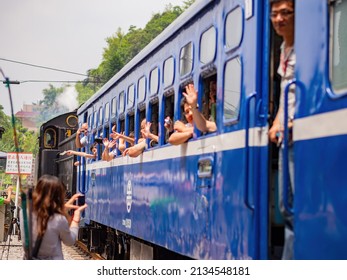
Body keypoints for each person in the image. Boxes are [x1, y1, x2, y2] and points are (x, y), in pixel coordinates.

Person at [268, 0, 295, 260]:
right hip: (285, 139)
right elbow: (285, 94)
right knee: (287, 209)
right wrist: (277, 122)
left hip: (299, 138)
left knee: (294, 208)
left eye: (285, 13)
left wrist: (293, 122)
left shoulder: (305, 48)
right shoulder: (286, 49)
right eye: (275, 14)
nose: (279, 19)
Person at [23, 175, 87, 260]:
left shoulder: (24, 213)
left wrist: (63, 208)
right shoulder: (59, 219)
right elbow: (70, 241)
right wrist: (75, 220)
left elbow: (44, 214)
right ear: (58, 196)